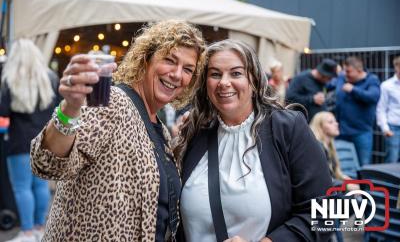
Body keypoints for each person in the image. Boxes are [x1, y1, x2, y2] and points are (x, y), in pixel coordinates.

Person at [30, 20, 206, 241]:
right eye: (170, 60)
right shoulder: (112, 103)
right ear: (146, 59)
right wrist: (70, 108)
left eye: (188, 69)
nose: (177, 74)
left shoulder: (161, 130)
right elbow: (49, 163)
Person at [175, 39, 332, 242]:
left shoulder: (287, 128)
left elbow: (328, 213)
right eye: (215, 74)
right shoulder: (196, 131)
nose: (224, 82)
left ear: (255, 81)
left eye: (236, 73)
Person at [0, 39, 59, 242]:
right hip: (45, 140)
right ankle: (40, 229)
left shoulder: (10, 80)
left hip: (18, 141)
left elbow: (3, 111)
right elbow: (58, 108)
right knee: (41, 186)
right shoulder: (50, 78)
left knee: (22, 187)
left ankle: (26, 232)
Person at [335, 56, 380, 166]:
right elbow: (330, 85)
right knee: (342, 165)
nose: (345, 74)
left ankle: (363, 184)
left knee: (363, 166)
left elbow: (373, 97)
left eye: (348, 71)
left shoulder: (371, 80)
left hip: (361, 132)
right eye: (344, 71)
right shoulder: (343, 77)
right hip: (342, 131)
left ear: (359, 70)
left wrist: (353, 90)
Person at [310, 112, 360, 190]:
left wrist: (351, 182)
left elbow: (337, 173)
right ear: (320, 127)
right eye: (330, 122)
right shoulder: (317, 148)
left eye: (335, 121)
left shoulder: (330, 147)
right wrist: (346, 186)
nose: (336, 124)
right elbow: (322, 179)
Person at [376, 56, 400, 163]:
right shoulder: (387, 85)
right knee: (392, 160)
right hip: (393, 127)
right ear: (396, 67)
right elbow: (381, 108)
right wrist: (385, 128)